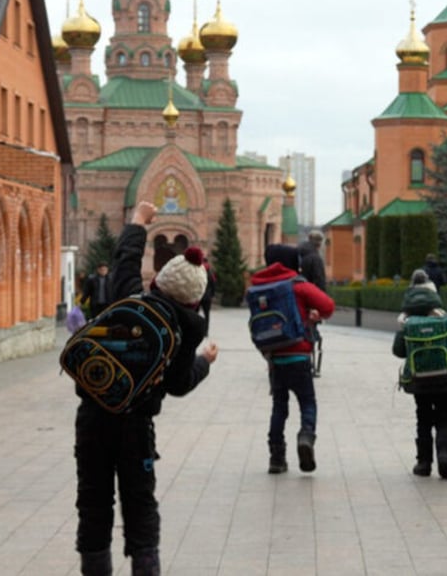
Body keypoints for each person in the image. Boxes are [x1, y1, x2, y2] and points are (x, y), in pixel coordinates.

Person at [74, 201, 218, 576]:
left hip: (93, 414)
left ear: (158, 281)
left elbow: (125, 261)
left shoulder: (131, 300)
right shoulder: (186, 330)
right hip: (136, 427)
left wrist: (137, 222)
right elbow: (179, 385)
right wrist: (205, 362)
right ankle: (145, 568)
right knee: (140, 503)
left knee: (93, 502)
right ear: (193, 301)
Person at [250, 244, 335, 474]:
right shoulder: (298, 285)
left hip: (274, 357)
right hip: (298, 354)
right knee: (307, 401)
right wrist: (313, 315)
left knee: (279, 407)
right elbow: (328, 306)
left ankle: (276, 458)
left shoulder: (259, 286)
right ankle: (306, 436)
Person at [392, 269, 447, 479]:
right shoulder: (441, 318)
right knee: (443, 417)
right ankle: (444, 455)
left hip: (419, 381)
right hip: (444, 378)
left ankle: (424, 463)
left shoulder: (406, 322)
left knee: (423, 419)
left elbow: (398, 351)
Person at [200, 260, 217, 331]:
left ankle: (197, 329)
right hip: (207, 297)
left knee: (195, 314)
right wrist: (212, 295)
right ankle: (206, 331)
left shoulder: (199, 272)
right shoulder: (211, 274)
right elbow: (214, 286)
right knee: (207, 315)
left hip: (199, 296)